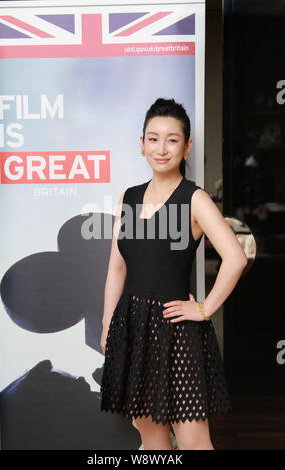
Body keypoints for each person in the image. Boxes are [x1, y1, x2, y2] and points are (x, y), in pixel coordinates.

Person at [100, 98, 248, 450]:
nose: (161, 148)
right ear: (141, 145)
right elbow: (118, 265)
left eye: (172, 140)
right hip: (134, 328)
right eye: (153, 138)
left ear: (187, 147)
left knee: (194, 442)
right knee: (151, 439)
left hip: (178, 334)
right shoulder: (129, 197)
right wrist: (108, 323)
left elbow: (236, 258)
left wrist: (205, 308)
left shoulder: (194, 199)